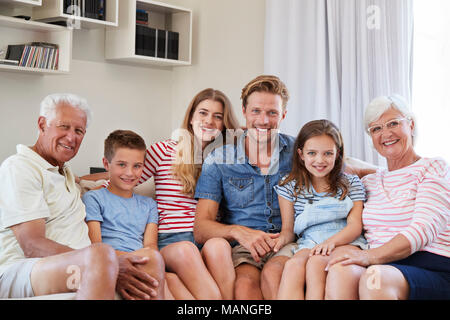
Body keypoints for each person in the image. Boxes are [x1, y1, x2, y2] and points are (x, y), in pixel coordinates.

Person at [81, 88, 240, 299]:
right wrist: (79, 180)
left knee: (220, 246)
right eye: (203, 113)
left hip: (208, 234)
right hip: (171, 238)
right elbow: (127, 175)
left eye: (217, 116)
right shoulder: (164, 151)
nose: (209, 121)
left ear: (223, 125)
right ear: (191, 117)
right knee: (186, 250)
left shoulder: (227, 159)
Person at [324, 94, 450, 300]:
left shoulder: (433, 168)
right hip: (384, 266)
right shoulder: (369, 182)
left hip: (432, 266)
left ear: (411, 125)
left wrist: (367, 256)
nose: (386, 133)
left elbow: (423, 230)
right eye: (376, 128)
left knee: (374, 279)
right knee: (340, 270)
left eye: (393, 123)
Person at [0, 93, 120, 299]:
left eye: (79, 131)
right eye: (64, 126)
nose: (71, 137)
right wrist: (101, 261)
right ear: (42, 124)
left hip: (76, 264)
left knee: (150, 259)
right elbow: (31, 245)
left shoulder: (64, 173)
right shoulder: (20, 167)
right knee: (101, 254)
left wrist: (119, 173)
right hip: (23, 270)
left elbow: (86, 180)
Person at [193, 75, 297, 299]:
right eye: (256, 111)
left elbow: (339, 169)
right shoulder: (219, 159)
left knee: (279, 279)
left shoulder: (300, 151)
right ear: (244, 111)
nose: (264, 120)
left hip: (292, 243)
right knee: (244, 287)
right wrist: (238, 232)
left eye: (272, 113)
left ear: (283, 115)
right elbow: (201, 228)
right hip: (245, 250)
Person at [274, 119, 368, 300]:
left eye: (327, 153)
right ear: (301, 154)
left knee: (316, 263)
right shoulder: (289, 186)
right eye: (312, 153)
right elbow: (288, 230)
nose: (320, 160)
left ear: (337, 154)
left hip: (345, 239)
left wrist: (330, 243)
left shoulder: (351, 183)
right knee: (293, 267)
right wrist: (276, 242)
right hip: (310, 241)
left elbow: (355, 226)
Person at [82, 130, 166, 300]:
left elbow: (151, 245)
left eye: (137, 166)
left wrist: (146, 258)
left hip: (145, 260)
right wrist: (139, 258)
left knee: (174, 280)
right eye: (122, 164)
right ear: (106, 164)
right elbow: (96, 245)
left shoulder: (149, 205)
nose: (130, 173)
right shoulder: (94, 198)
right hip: (113, 260)